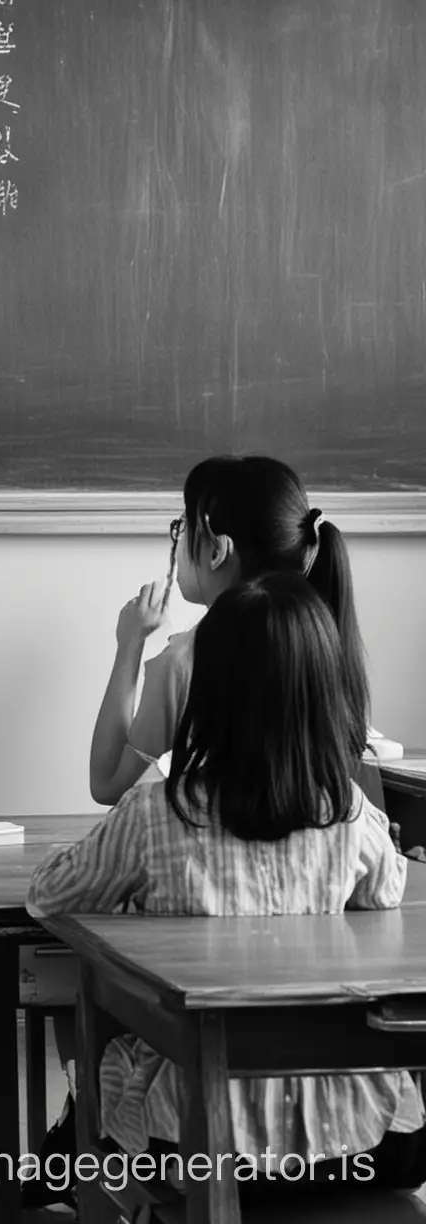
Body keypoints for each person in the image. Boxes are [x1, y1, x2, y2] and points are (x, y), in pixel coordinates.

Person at [31, 575, 426, 1196]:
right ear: (325, 695)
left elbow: (50, 898)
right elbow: (383, 900)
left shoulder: (159, 812)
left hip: (195, 1142)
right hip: (374, 1141)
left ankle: (68, 1168)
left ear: (206, 692)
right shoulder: (351, 814)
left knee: (100, 1003)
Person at [90, 455, 371, 808]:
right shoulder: (318, 644)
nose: (177, 543)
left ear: (217, 550)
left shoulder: (181, 664)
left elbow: (108, 784)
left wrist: (130, 643)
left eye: (182, 527)